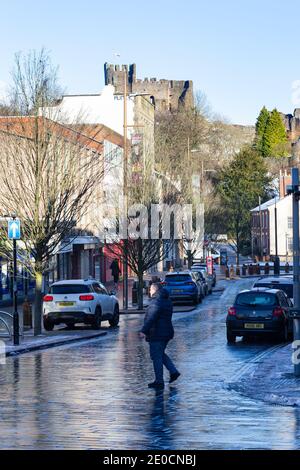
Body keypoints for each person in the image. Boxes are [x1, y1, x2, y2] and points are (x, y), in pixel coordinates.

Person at [140, 282, 180, 390]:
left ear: (154, 290)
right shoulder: (166, 300)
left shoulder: (156, 302)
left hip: (157, 333)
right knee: (160, 354)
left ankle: (159, 381)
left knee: (156, 356)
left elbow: (151, 318)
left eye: (150, 290)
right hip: (166, 332)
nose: (149, 292)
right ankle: (173, 371)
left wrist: (143, 330)